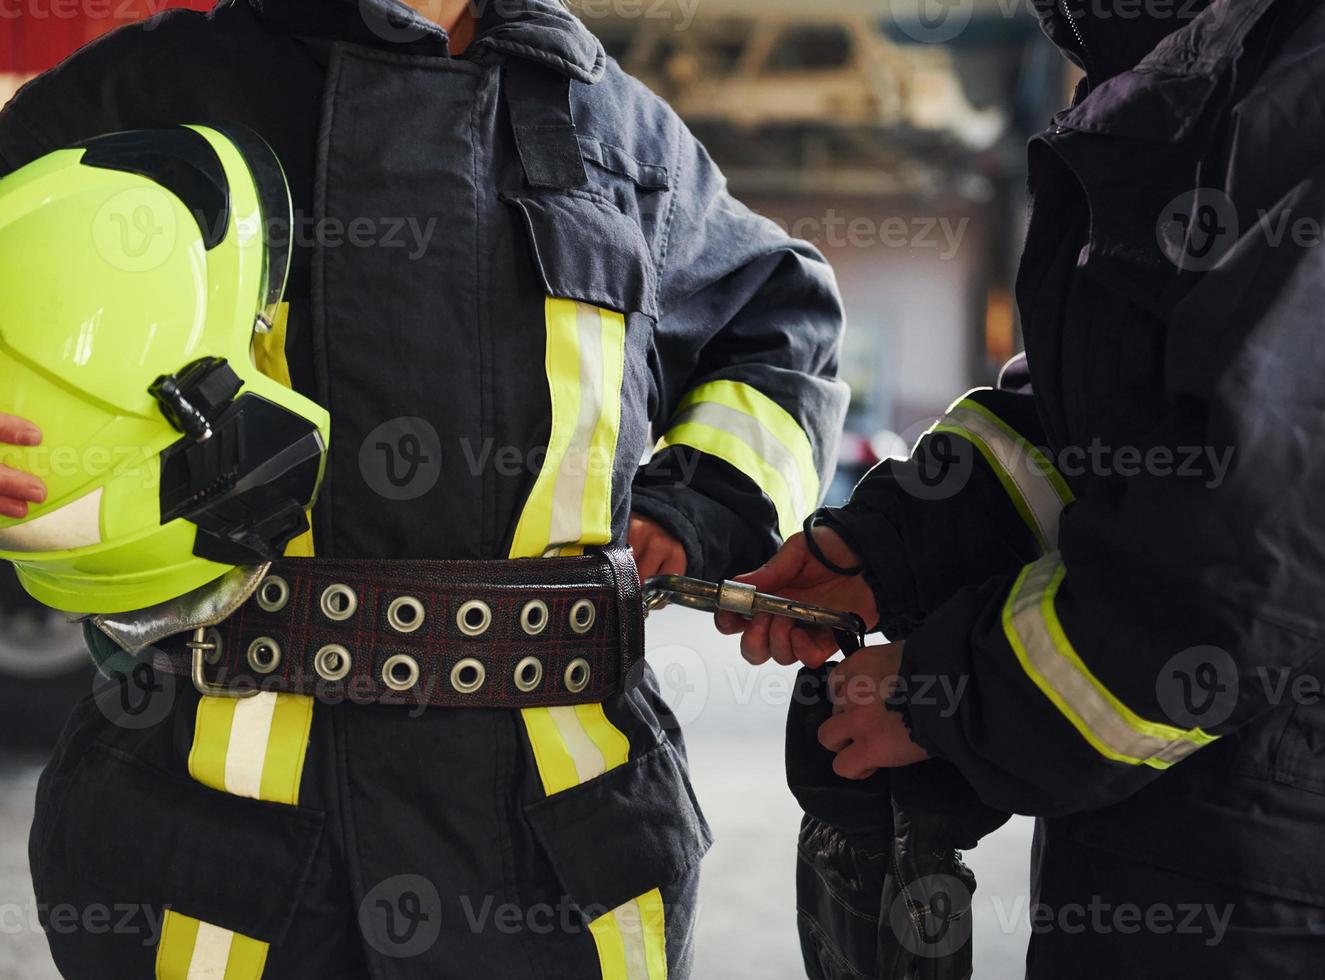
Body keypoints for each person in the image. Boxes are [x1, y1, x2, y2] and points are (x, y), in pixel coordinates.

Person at [0, 1, 846, 976]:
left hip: (557, 863)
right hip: (211, 850)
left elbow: (785, 330)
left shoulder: (622, 135)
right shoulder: (151, 89)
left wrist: (698, 498)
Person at [721, 0, 1325, 976]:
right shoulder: (1175, 68)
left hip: (1306, 829)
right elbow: (1107, 431)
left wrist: (949, 698)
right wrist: (893, 547)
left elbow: (1268, 544)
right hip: (1178, 808)